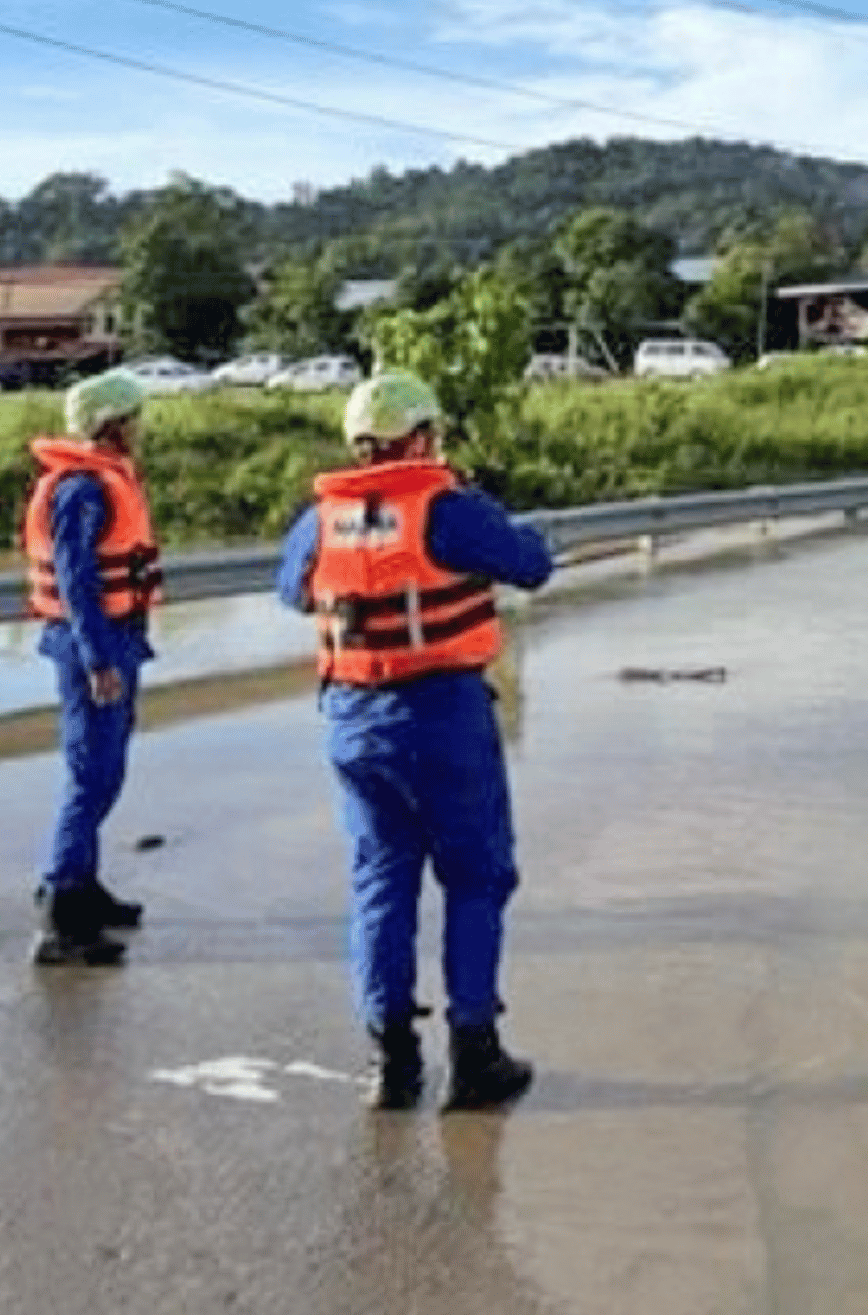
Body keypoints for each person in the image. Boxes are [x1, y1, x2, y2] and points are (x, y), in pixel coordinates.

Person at [276, 372, 552, 1111]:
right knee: (475, 877)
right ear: (423, 435)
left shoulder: (321, 518)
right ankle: (474, 1056)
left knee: (380, 881)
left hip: (353, 724)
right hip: (441, 715)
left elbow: (291, 587)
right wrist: (483, 503)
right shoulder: (447, 509)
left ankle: (391, 1062)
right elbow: (533, 562)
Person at [24, 370, 161, 967]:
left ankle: (85, 884)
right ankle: (62, 911)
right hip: (94, 646)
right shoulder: (81, 489)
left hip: (116, 640)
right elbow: (78, 580)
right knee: (90, 776)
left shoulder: (103, 480)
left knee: (107, 769)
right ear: (112, 425)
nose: (140, 427)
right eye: (133, 417)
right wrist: (97, 658)